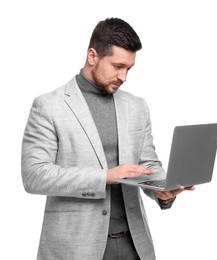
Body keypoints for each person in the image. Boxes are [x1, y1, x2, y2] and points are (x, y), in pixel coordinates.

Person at [21, 17, 194, 260]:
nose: (123, 77)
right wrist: (105, 177)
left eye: (129, 69)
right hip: (76, 247)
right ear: (92, 56)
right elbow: (34, 176)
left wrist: (162, 190)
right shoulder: (49, 106)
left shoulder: (136, 106)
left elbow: (147, 164)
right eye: (117, 66)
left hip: (135, 245)